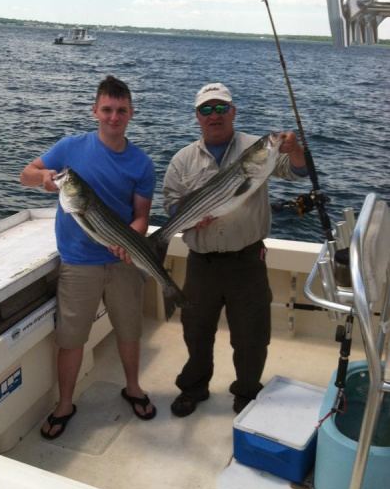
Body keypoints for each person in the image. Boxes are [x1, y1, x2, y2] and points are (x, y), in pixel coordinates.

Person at [20, 75, 157, 440]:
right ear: (95, 111)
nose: (114, 117)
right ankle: (65, 403)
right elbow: (26, 175)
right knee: (72, 337)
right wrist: (48, 177)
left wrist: (131, 241)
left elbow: (141, 215)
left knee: (129, 330)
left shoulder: (142, 164)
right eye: (107, 110)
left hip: (123, 261)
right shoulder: (70, 148)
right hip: (78, 262)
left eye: (121, 111)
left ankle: (133, 387)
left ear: (131, 114)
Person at [163, 82, 308, 417]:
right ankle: (193, 388)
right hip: (202, 261)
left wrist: (295, 147)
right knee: (196, 330)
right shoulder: (182, 159)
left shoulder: (257, 149)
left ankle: (246, 392)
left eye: (221, 108)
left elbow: (298, 172)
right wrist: (183, 216)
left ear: (233, 111)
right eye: (206, 110)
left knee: (252, 335)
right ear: (197, 117)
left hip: (247, 261)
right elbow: (171, 202)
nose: (214, 116)